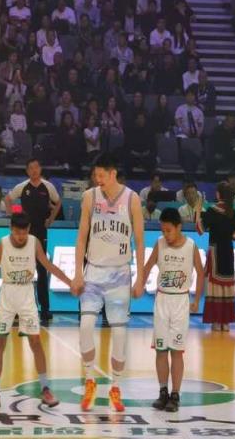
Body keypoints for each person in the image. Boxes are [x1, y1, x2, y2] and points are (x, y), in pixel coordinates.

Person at [70, 153, 145, 412]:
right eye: (95, 176)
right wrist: (77, 273)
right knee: (85, 326)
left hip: (120, 274)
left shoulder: (132, 198)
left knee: (120, 332)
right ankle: (90, 380)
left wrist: (140, 276)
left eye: (101, 175)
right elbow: (82, 237)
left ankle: (116, 386)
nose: (97, 180)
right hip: (93, 271)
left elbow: (140, 241)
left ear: (113, 174)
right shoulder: (89, 197)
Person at [0, 213, 72, 410]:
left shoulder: (34, 242)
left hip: (27, 294)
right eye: (17, 232)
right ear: (11, 229)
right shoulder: (3, 243)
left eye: (24, 232)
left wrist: (69, 282)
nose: (21, 236)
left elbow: (48, 266)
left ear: (28, 230)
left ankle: (45, 388)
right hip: (7, 294)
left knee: (36, 342)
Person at [141, 208, 204, 412]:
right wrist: (139, 285)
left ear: (178, 227)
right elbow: (147, 266)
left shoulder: (191, 246)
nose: (165, 234)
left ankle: (175, 394)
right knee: (161, 349)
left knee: (177, 351)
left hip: (180, 301)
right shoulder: (159, 244)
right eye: (163, 231)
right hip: (162, 300)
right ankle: (163, 392)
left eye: (168, 230)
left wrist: (196, 299)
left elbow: (201, 273)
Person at [5, 159, 61, 323]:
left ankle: (45, 309)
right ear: (27, 171)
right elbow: (8, 199)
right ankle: (17, 310)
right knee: (21, 270)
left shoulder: (48, 187)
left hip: (41, 232)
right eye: (31, 168)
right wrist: (14, 218)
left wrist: (51, 219)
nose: (34, 170)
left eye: (36, 167)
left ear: (40, 169)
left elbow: (58, 202)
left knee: (42, 270)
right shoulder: (22, 187)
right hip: (24, 234)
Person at [195, 181, 235, 331]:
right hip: (228, 253)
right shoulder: (232, 212)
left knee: (215, 287)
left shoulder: (212, 211)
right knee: (227, 286)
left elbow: (200, 229)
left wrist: (198, 210)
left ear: (218, 194)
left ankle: (216, 321)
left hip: (215, 253)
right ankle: (225, 323)